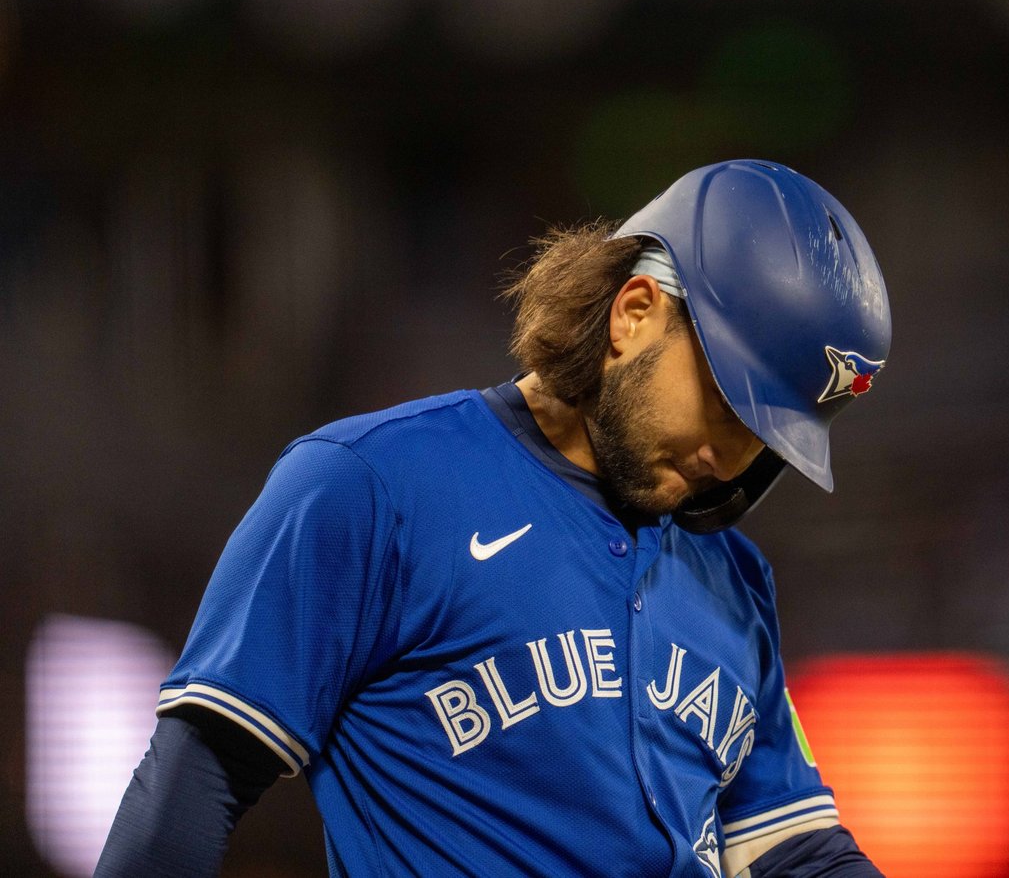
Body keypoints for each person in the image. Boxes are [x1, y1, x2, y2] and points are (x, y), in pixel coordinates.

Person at [96, 160, 891, 877]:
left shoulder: (735, 578)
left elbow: (799, 854)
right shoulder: (371, 486)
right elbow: (193, 786)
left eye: (764, 434)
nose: (733, 455)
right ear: (635, 313)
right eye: (727, 403)